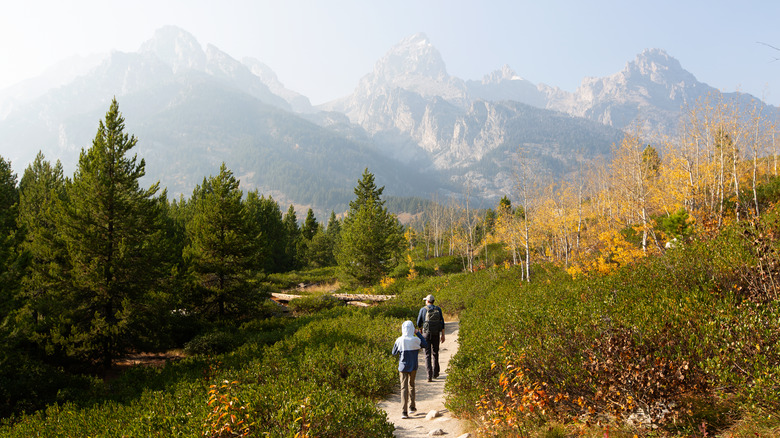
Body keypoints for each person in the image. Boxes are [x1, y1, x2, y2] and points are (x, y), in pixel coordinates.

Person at [391, 320, 428, 419]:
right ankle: (412, 407)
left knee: (404, 388)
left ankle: (404, 411)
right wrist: (418, 333)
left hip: (403, 367)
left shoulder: (399, 340)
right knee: (411, 385)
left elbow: (393, 352)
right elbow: (425, 344)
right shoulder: (415, 340)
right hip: (413, 366)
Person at [416, 294, 445, 382]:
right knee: (435, 352)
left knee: (427, 354)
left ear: (427, 301)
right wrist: (443, 335)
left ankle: (429, 376)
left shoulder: (423, 309)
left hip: (426, 334)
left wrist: (421, 330)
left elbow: (418, 323)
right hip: (436, 333)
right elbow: (442, 323)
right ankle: (435, 373)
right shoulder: (438, 309)